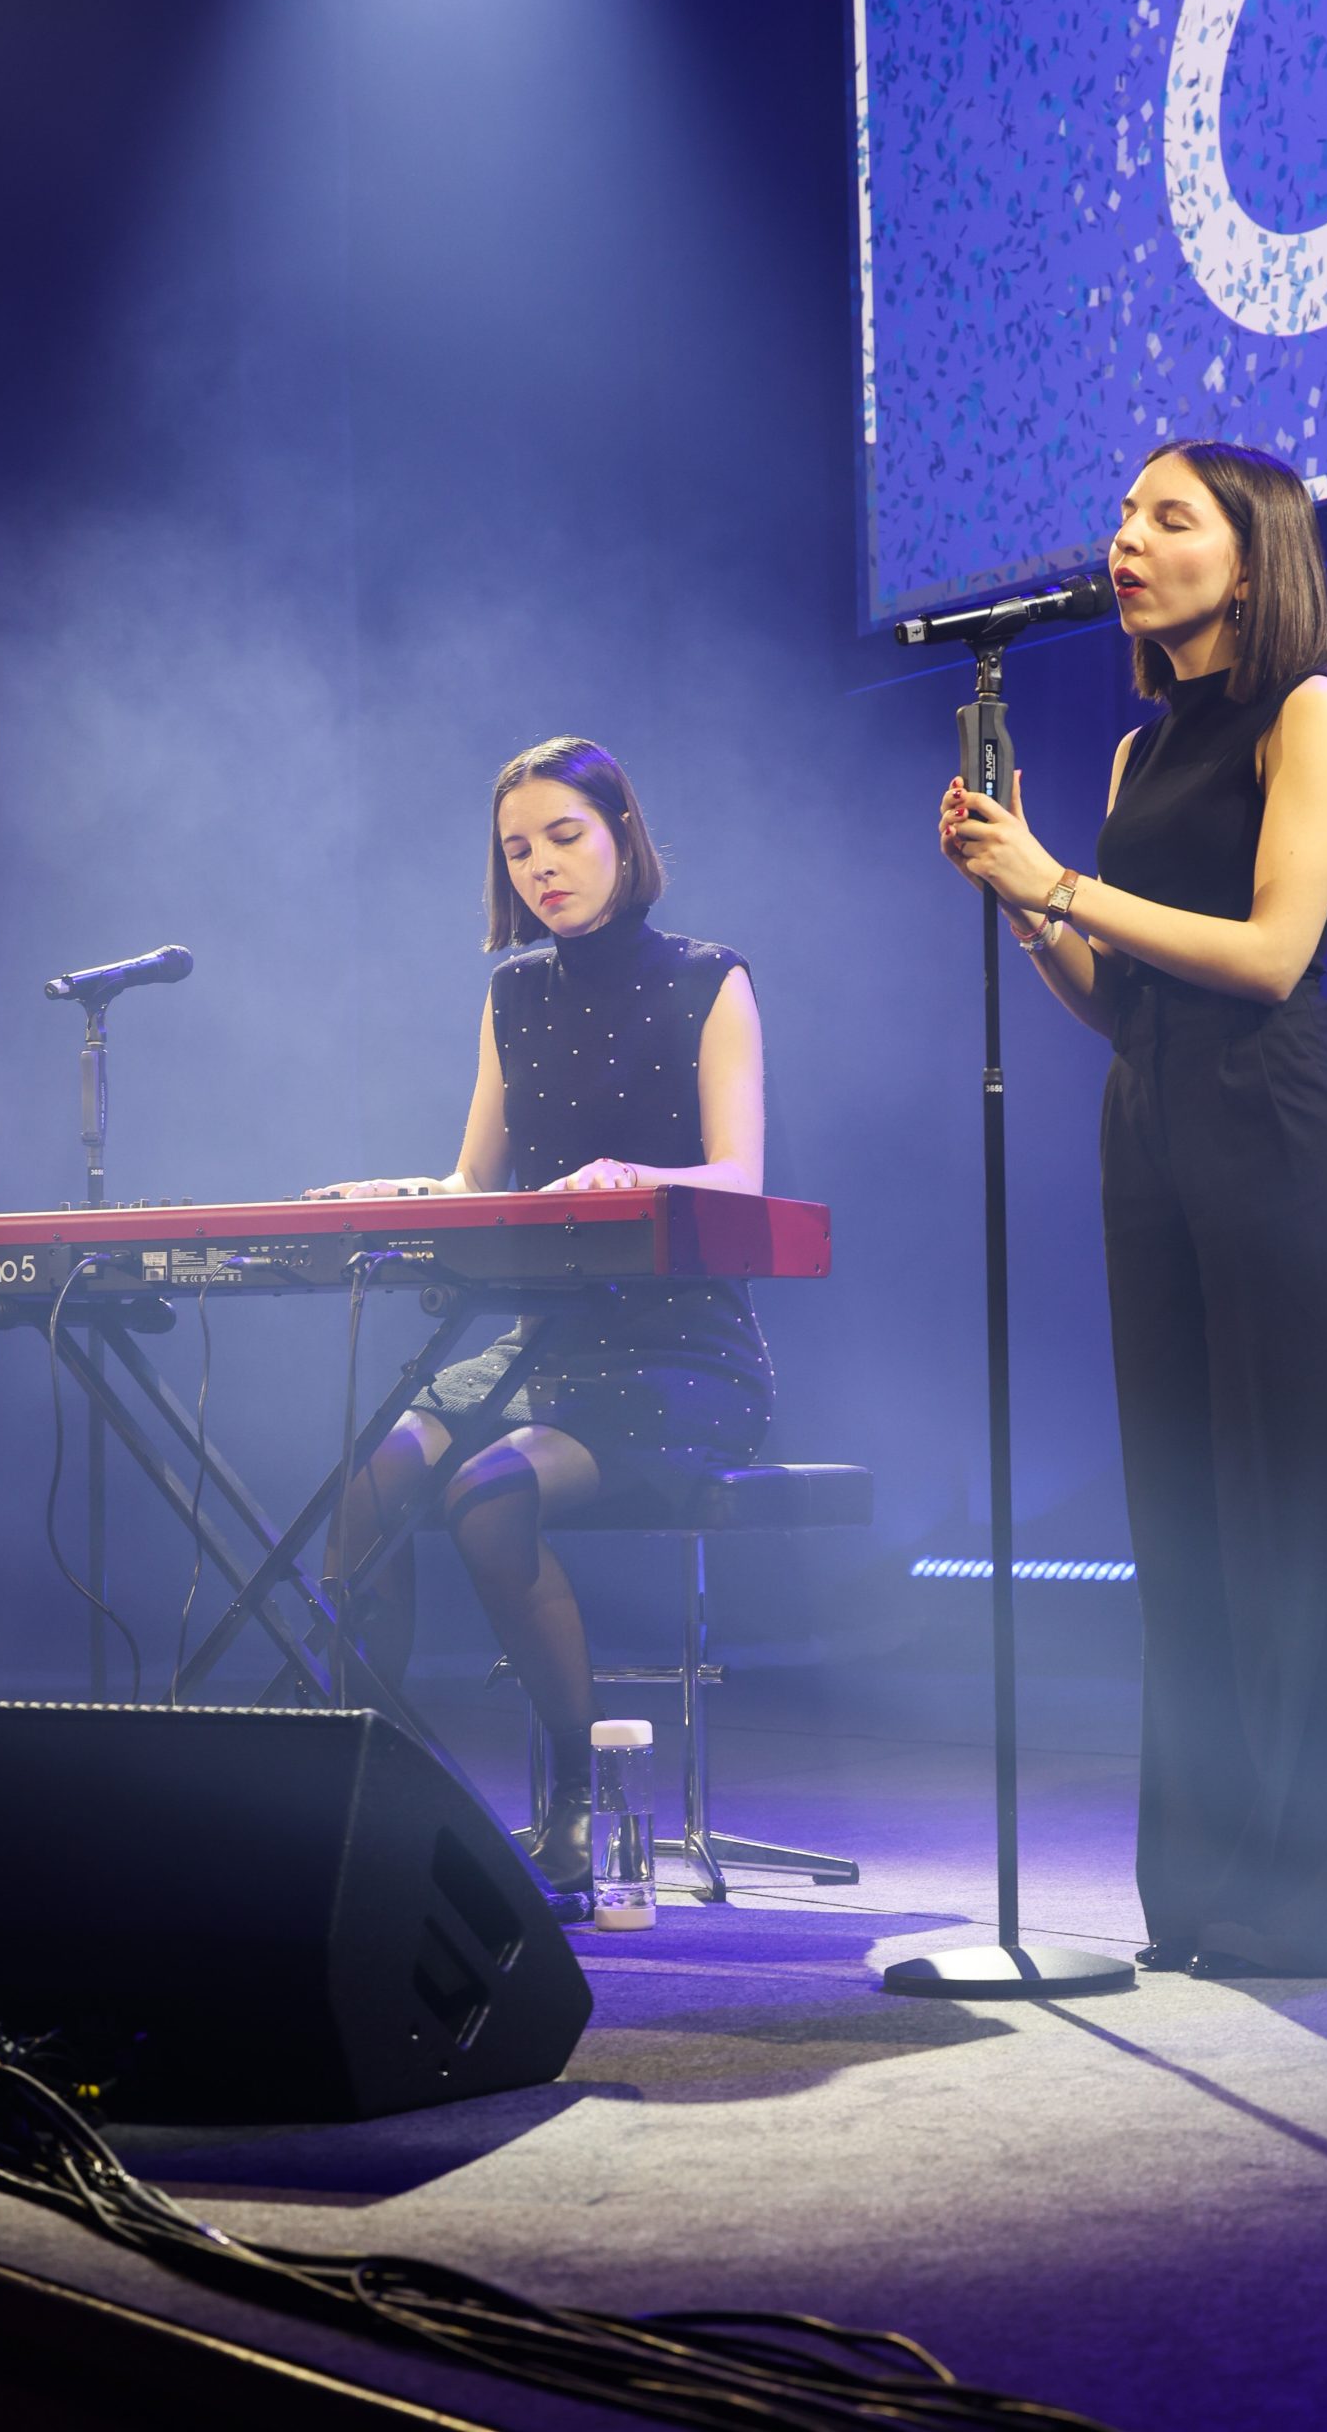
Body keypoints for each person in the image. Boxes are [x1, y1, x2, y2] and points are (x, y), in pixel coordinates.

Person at [939, 441, 1327, 1977]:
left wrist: (1062, 879)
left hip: (1275, 1123)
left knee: (1290, 1507)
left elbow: (1271, 953)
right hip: (1150, 1126)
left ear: (1253, 558)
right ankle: (1206, 1885)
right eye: (1127, 514)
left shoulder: (1307, 712)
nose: (1128, 539)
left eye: (1169, 517)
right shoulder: (1143, 755)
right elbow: (1118, 1004)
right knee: (1188, 1513)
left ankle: (1314, 1897)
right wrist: (1024, 903)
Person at [305, 736, 772, 1889]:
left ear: (624, 834)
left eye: (565, 837)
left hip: (680, 1349)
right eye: (518, 850)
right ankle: (367, 1786)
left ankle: (578, 1792)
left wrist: (636, 1177)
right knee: (364, 1485)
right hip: (547, 1344)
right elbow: (477, 1184)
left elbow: (741, 1179)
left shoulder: (710, 978)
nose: (542, 867)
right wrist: (398, 1192)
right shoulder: (513, 992)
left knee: (487, 1495)